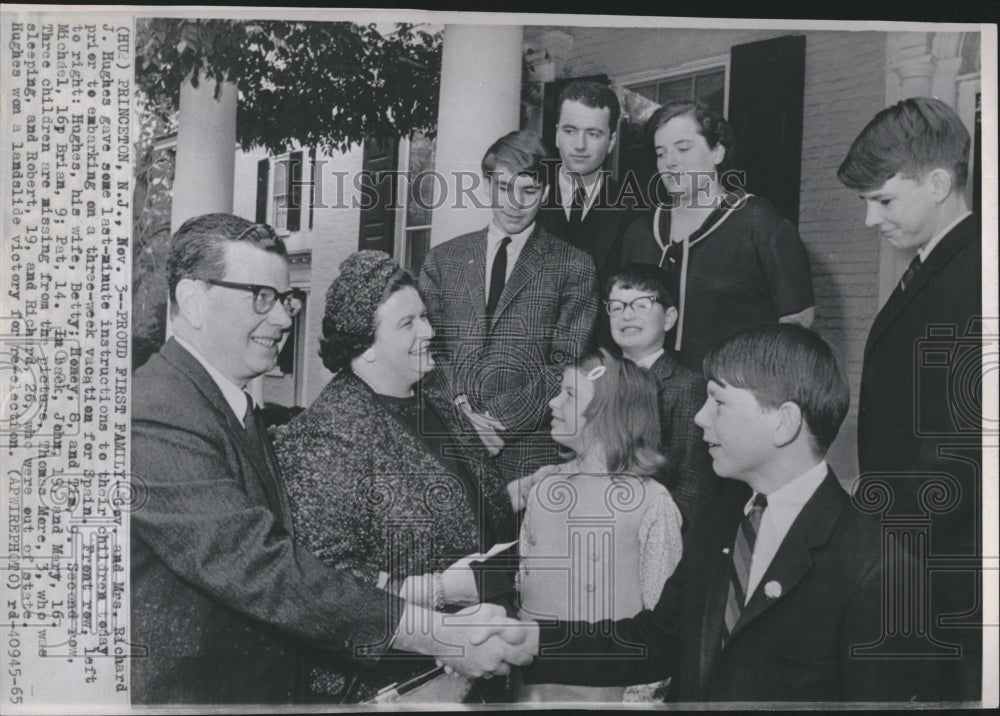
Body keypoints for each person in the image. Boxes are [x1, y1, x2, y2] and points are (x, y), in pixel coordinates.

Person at [130, 214, 532, 705]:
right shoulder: (154, 413)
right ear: (193, 299)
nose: (283, 318)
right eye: (261, 297)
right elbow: (264, 569)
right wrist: (438, 628)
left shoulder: (228, 404)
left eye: (284, 299)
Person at [519, 324, 939, 702]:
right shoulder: (720, 522)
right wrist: (529, 640)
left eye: (718, 401)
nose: (700, 418)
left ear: (784, 423)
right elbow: (655, 641)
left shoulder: (880, 570)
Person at [272, 251, 516, 702]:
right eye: (408, 324)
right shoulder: (329, 432)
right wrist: (440, 591)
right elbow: (324, 582)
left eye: (424, 317)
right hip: (396, 682)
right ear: (364, 347)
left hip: (475, 664)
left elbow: (478, 504)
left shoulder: (436, 403)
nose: (429, 331)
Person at [838, 96, 982, 701]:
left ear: (940, 182)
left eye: (884, 200)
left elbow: (963, 444)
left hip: (952, 564)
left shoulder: (976, 272)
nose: (871, 220)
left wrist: (885, 543)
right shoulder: (935, 263)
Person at [420, 130, 599, 517]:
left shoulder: (573, 265)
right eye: (503, 187)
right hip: (451, 448)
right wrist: (463, 414)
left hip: (529, 455)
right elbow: (427, 352)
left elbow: (565, 362)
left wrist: (498, 424)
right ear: (486, 186)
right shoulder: (442, 260)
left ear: (546, 191)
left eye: (529, 190)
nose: (514, 203)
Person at [507, 350, 683, 702]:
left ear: (608, 414)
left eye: (570, 395)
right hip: (533, 689)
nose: (553, 403)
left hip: (607, 693)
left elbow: (661, 622)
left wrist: (641, 699)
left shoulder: (651, 501)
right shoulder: (543, 490)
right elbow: (522, 584)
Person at [620, 101, 814, 371]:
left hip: (732, 394)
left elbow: (797, 322)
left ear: (717, 151)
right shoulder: (641, 231)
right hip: (647, 396)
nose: (670, 162)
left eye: (683, 148)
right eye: (660, 153)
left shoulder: (759, 221)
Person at [605, 263, 717, 527]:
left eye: (641, 305)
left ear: (669, 318)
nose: (627, 316)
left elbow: (692, 488)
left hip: (654, 532)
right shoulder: (597, 379)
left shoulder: (688, 387)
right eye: (617, 306)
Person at [538, 79, 634, 347]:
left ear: (612, 141)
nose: (579, 145)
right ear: (557, 134)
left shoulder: (635, 210)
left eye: (593, 133)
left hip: (600, 364)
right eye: (570, 130)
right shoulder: (525, 197)